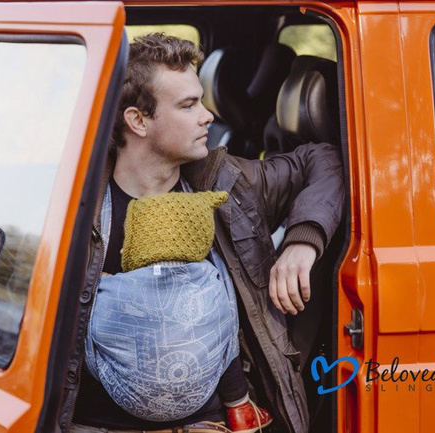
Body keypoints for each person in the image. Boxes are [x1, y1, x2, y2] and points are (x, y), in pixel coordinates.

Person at [60, 33, 344, 433]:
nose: (207, 116)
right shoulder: (75, 204)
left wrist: (303, 240)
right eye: (188, 105)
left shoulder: (229, 185)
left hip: (208, 424)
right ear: (138, 121)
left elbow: (327, 159)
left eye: (202, 101)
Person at [84, 190, 272, 431]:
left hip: (121, 396)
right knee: (223, 337)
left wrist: (100, 284)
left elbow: (97, 321)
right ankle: (240, 407)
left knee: (89, 318)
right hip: (199, 400)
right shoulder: (210, 278)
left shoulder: (118, 287)